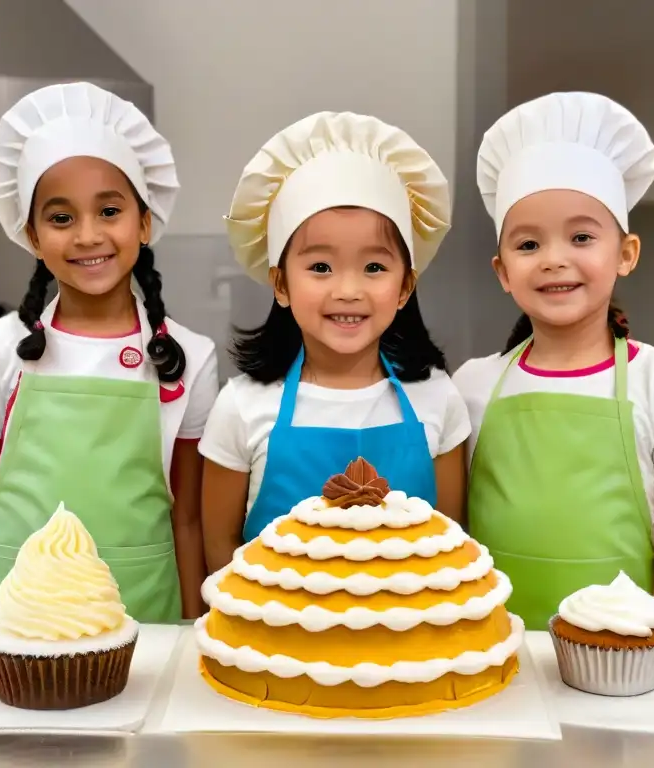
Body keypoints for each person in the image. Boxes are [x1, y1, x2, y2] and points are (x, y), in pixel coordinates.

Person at [0, 82, 218, 622]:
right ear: (34, 237)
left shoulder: (189, 357)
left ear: (144, 220)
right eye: (61, 218)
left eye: (109, 210)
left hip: (138, 609)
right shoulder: (0, 346)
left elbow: (187, 521)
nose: (88, 236)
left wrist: (188, 632)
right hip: (5, 612)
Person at [454, 92, 654, 627]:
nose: (555, 258)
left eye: (581, 236)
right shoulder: (472, 384)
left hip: (624, 661)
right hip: (493, 651)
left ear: (625, 254)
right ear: (503, 272)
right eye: (528, 245)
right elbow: (456, 532)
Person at [199, 111, 471, 572]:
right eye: (321, 267)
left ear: (405, 287)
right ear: (280, 285)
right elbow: (220, 548)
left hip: (412, 640)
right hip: (273, 641)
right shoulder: (241, 407)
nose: (348, 290)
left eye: (375, 267)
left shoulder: (438, 397)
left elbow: (450, 545)